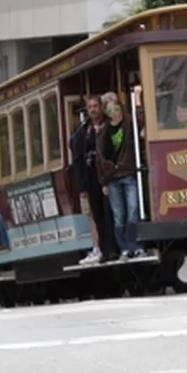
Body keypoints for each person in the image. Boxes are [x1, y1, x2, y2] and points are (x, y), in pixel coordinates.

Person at [97, 91, 145, 259]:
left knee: (133, 211)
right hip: (112, 179)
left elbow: (141, 121)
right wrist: (103, 181)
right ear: (106, 112)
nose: (113, 112)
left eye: (115, 108)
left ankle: (135, 245)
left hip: (128, 173)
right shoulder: (103, 131)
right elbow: (100, 157)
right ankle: (124, 248)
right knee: (119, 217)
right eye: (109, 110)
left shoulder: (128, 122)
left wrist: (138, 100)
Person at [70, 95, 115, 264]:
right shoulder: (83, 131)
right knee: (98, 216)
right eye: (90, 107)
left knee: (112, 213)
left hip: (110, 178)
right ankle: (103, 249)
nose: (93, 110)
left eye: (96, 106)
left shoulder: (109, 125)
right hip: (92, 179)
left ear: (101, 107)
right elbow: (78, 159)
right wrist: (82, 187)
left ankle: (113, 248)